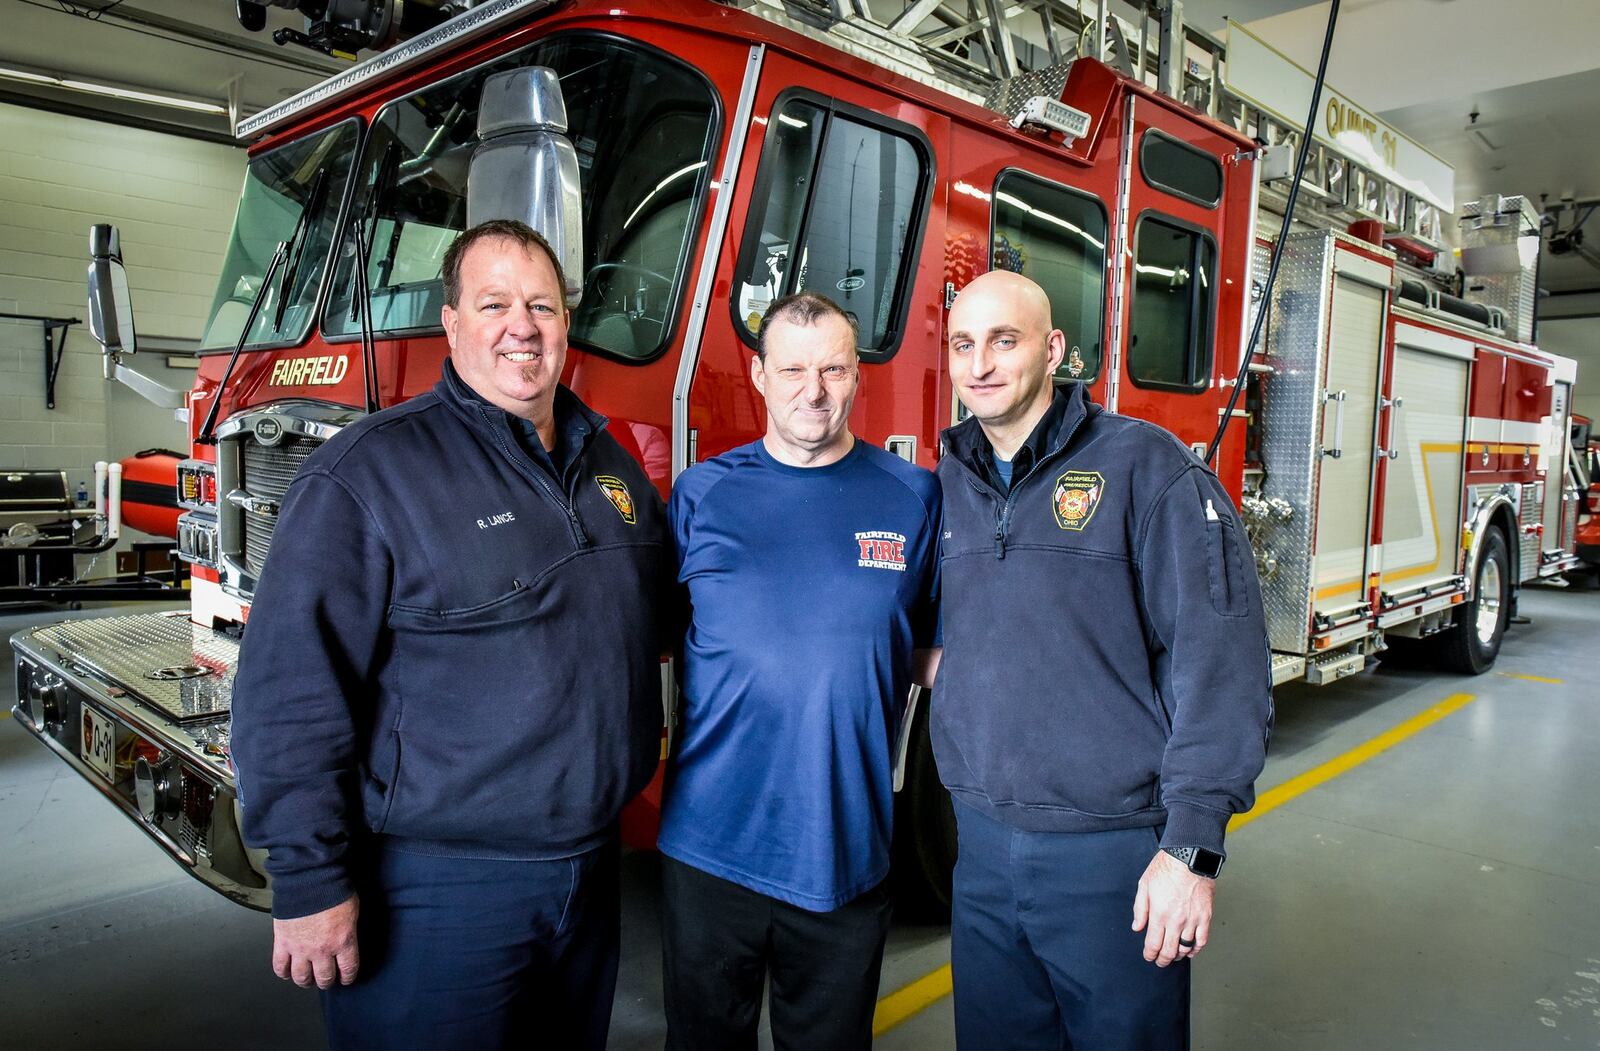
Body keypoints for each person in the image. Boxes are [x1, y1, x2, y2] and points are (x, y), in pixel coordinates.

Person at [230, 219, 667, 1050]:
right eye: (494, 302)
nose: (522, 325)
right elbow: (289, 690)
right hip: (439, 888)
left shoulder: (609, 460)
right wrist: (310, 879)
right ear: (454, 323)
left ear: (567, 325)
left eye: (542, 304)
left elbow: (662, 613)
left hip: (587, 871)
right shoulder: (368, 473)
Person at [931, 269, 1272, 1050]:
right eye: (962, 343)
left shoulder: (1145, 468)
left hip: (1112, 858)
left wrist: (1192, 849)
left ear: (1054, 350)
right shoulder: (950, 480)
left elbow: (1221, 667)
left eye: (1003, 340)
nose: (980, 362)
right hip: (980, 851)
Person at [658, 292, 941, 1051]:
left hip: (845, 852)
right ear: (758, 375)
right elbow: (656, 634)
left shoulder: (913, 497)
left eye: (833, 370)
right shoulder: (700, 495)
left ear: (858, 377)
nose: (812, 391)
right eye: (792, 369)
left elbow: (934, 654)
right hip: (709, 852)